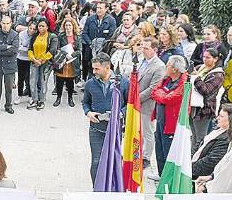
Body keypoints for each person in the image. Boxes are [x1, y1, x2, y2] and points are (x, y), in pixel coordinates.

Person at [82, 53, 129, 184]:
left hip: (115, 129)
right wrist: (88, 113)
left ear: (107, 67)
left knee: (114, 160)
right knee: (96, 161)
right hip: (96, 129)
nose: (93, 71)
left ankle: (112, 187)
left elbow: (130, 104)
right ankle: (97, 189)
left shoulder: (123, 82)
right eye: (93, 68)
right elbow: (85, 102)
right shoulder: (90, 83)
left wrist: (120, 113)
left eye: (97, 69)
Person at [151, 55, 189, 175]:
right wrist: (163, 95)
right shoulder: (166, 79)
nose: (165, 67)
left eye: (167, 65)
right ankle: (161, 175)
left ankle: (168, 178)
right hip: (161, 121)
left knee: (169, 152)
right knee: (159, 150)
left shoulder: (184, 82)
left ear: (174, 69)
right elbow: (154, 91)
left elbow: (170, 98)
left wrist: (162, 95)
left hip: (171, 124)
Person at [192, 103, 232, 180]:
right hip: (193, 166)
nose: (217, 118)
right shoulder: (218, 129)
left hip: (201, 176)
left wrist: (188, 168)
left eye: (221, 116)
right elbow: (199, 144)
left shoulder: (227, 139)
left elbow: (210, 163)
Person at [137, 37, 166, 167]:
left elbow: (153, 88)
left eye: (146, 48)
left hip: (147, 105)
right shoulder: (142, 62)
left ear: (154, 50)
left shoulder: (159, 66)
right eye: (142, 47)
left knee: (147, 131)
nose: (143, 50)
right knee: (137, 129)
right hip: (137, 102)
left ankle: (146, 157)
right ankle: (136, 153)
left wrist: (137, 98)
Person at [190, 48, 224, 151]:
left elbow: (206, 90)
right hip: (193, 106)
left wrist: (196, 78)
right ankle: (192, 159)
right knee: (194, 136)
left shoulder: (218, 74)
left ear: (215, 59)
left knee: (201, 137)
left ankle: (198, 158)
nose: (205, 59)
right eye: (203, 57)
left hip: (205, 109)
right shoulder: (201, 68)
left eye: (208, 57)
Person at [81, 1, 116, 81]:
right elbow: (84, 33)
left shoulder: (111, 20)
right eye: (97, 8)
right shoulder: (90, 19)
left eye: (101, 8)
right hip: (90, 49)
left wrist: (102, 45)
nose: (98, 10)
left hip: (104, 50)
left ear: (106, 9)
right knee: (89, 65)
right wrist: (91, 43)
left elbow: (111, 36)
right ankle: (89, 81)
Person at [27, 18, 57, 110]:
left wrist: (41, 60)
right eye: (39, 26)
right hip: (34, 62)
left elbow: (53, 50)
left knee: (43, 82)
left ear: (47, 27)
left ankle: (41, 101)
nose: (40, 28)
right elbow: (30, 49)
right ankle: (34, 100)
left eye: (43, 26)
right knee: (32, 82)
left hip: (46, 63)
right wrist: (34, 59)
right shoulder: (35, 36)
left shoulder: (52, 37)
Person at [54, 17, 82, 107]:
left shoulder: (77, 37)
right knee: (59, 82)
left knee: (70, 82)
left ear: (73, 26)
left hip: (72, 62)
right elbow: (57, 48)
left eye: (69, 25)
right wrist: (65, 54)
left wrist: (72, 55)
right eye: (66, 25)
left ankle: (70, 99)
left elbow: (79, 50)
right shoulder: (61, 36)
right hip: (62, 61)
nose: (68, 27)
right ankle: (58, 98)